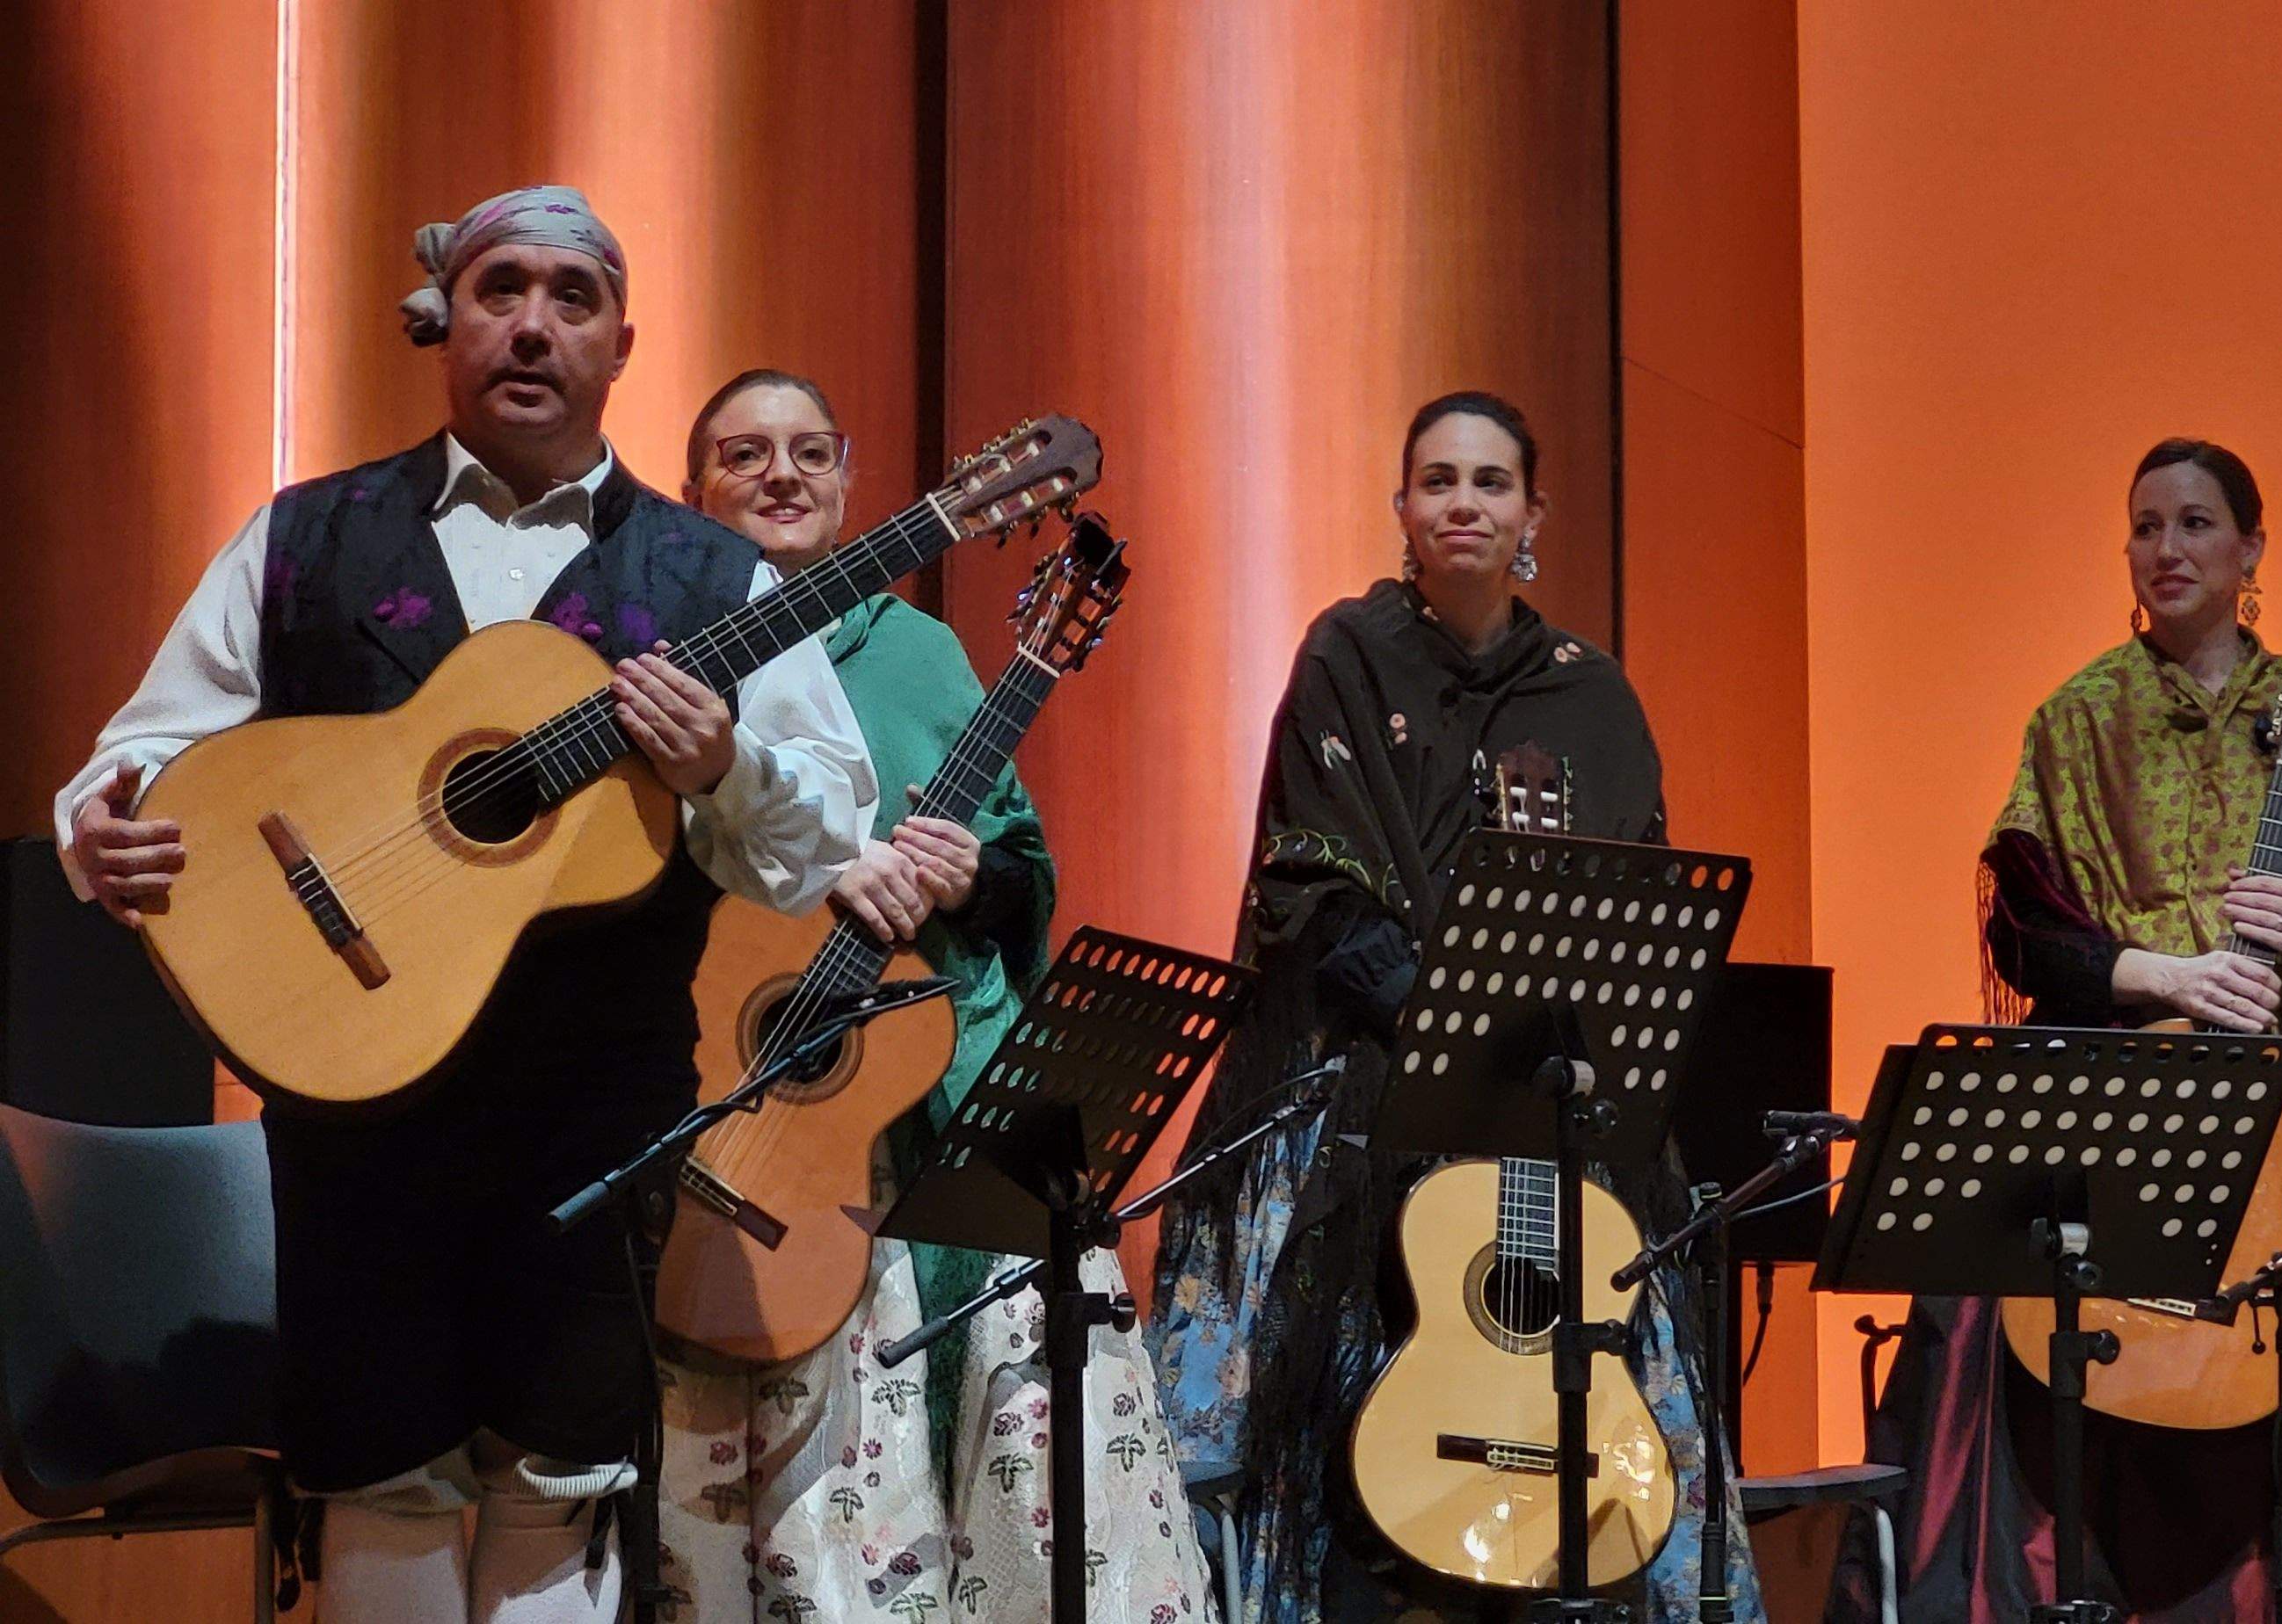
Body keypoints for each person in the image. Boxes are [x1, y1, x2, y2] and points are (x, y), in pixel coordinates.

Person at [55, 186, 876, 1624]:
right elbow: (145, 751)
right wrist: (104, 828)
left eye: (572, 297)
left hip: (589, 1115)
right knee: (378, 1484)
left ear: (624, 341)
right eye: (503, 289)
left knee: (559, 1484)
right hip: (357, 1105)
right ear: (446, 321)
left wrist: (721, 762)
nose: (534, 325)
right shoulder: (303, 539)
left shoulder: (714, 573)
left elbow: (819, 844)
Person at [1850, 439, 2282, 1621]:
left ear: (2251, 549)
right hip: (2126, 1081)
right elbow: (2025, 936)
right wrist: (2163, 975)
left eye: (2198, 523)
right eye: (2148, 525)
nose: (2170, 548)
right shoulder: (2077, 717)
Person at [1145, 391, 1760, 1620]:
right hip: (1375, 1097)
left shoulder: (1594, 694)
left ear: (1534, 513)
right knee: (1336, 1460)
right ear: (1402, 508)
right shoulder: (1346, 653)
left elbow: (1637, 901)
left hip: (1555, 1118)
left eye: (1489, 482)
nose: (1463, 504)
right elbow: (1314, 888)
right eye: (1437, 481)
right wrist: (1460, 1031)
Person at [651, 370, 1210, 1620]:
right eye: (745, 455)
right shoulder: (672, 664)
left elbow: (1024, 870)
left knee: (1032, 1458)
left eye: (811, 452)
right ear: (693, 494)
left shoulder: (924, 651)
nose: (782, 476)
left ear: (851, 480)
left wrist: (972, 877)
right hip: (770, 1123)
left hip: (951, 1086)